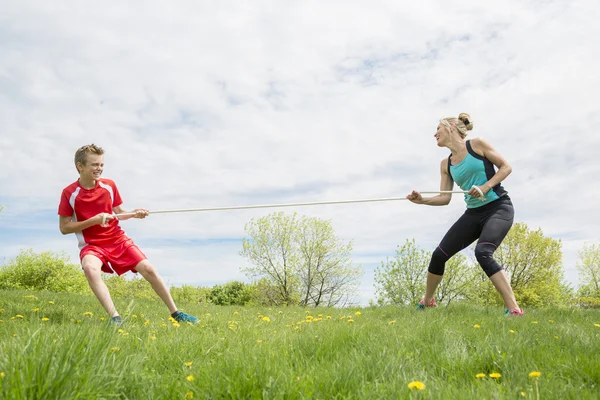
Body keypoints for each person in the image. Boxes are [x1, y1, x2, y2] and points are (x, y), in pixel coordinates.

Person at [58, 144, 199, 324]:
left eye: (101, 164)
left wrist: (134, 213)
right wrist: (94, 220)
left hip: (117, 239)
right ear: (80, 166)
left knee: (149, 269)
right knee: (90, 269)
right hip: (92, 245)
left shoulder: (109, 186)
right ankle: (115, 318)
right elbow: (64, 228)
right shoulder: (69, 193)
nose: (99, 168)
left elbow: (119, 212)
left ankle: (176, 313)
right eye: (94, 165)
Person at [406, 113, 523, 316]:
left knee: (483, 253)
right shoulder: (446, 164)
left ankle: (514, 309)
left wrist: (485, 187)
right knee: (438, 256)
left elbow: (506, 167)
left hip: (498, 207)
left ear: (451, 126)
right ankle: (427, 301)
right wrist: (421, 200)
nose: (435, 134)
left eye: (438, 129)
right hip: (473, 214)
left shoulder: (477, 145)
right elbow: (445, 198)